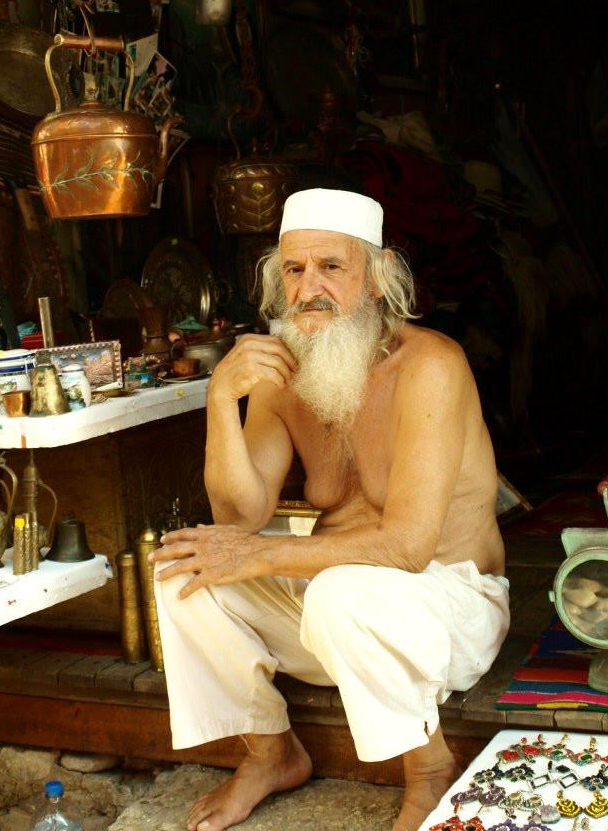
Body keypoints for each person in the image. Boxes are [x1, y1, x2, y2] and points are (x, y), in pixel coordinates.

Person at [152, 188, 510, 831]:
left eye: (331, 267)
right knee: (182, 570)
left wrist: (262, 556)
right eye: (294, 269)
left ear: (375, 279)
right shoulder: (283, 372)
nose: (308, 288)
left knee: (338, 592)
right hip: (340, 623)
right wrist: (220, 399)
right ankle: (272, 754)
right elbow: (238, 518)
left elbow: (407, 548)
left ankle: (429, 769)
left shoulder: (431, 364)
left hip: (446, 610)